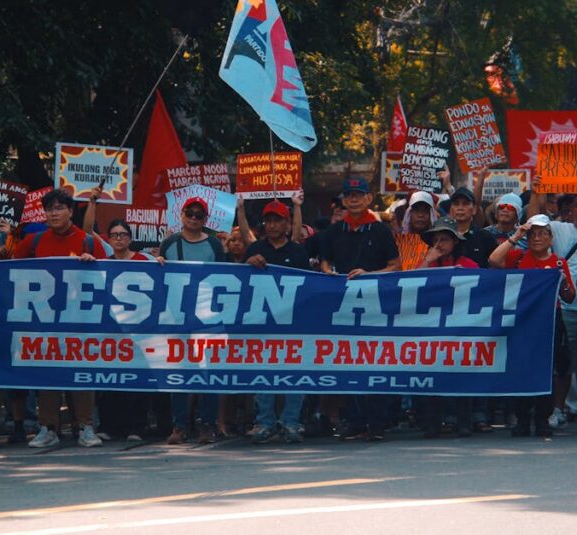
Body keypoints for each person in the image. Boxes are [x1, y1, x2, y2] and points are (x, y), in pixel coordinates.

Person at [13, 189, 108, 448]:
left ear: (70, 211)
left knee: (81, 374)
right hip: (45, 323)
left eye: (58, 208)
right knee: (48, 374)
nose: (53, 214)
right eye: (49, 209)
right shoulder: (33, 242)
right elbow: (8, 269)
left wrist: (94, 264)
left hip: (81, 322)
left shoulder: (88, 242)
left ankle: (86, 427)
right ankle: (48, 427)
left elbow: (111, 276)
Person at [320, 176, 400, 441]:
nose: (353, 199)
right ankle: (354, 421)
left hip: (374, 306)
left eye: (358, 194)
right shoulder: (334, 231)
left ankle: (378, 422)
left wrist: (369, 275)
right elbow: (324, 262)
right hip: (343, 308)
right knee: (347, 363)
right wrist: (328, 273)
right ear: (343, 200)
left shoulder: (379, 231)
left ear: (368, 198)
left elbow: (395, 266)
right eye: (349, 195)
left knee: (376, 361)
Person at [526, 178, 577, 429]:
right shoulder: (558, 229)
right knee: (563, 364)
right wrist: (538, 189)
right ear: (570, 209)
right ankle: (558, 410)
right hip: (566, 309)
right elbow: (533, 220)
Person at [489, 214, 576, 437]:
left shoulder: (558, 262)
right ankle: (522, 419)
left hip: (549, 322)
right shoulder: (518, 258)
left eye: (542, 234)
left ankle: (542, 420)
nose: (537, 238)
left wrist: (564, 282)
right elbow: (494, 260)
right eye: (533, 234)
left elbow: (570, 297)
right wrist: (517, 235)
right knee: (521, 370)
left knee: (547, 371)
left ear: (550, 237)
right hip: (522, 322)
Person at [157, 197, 226, 445]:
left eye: (199, 215)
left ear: (205, 220)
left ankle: (207, 424)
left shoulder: (215, 246)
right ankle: (180, 425)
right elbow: (160, 276)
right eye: (190, 213)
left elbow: (225, 279)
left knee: (208, 372)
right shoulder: (170, 244)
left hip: (208, 318)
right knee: (179, 372)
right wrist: (159, 265)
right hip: (178, 317)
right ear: (182, 214)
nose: (194, 218)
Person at [243, 200, 312, 444]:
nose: (272, 225)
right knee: (264, 374)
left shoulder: (297, 252)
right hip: (263, 325)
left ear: (286, 223)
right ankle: (265, 422)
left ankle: (291, 421)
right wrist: (248, 265)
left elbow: (310, 287)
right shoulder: (254, 250)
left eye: (277, 220)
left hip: (293, 326)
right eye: (268, 220)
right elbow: (240, 283)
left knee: (293, 373)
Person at [415, 217, 487, 438]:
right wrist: (428, 261)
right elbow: (412, 286)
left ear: (455, 241)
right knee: (431, 376)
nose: (439, 244)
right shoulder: (427, 262)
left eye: (444, 239)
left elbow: (482, 289)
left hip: (461, 329)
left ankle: (464, 422)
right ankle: (432, 423)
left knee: (462, 376)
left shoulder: (468, 264)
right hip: (432, 330)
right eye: (435, 239)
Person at [95, 219, 157, 442]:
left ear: (130, 238)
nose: (119, 238)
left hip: (140, 330)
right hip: (112, 330)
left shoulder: (145, 260)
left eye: (123, 234)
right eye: (114, 235)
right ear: (109, 240)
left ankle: (136, 427)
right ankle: (109, 426)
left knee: (137, 378)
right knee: (110, 379)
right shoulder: (102, 263)